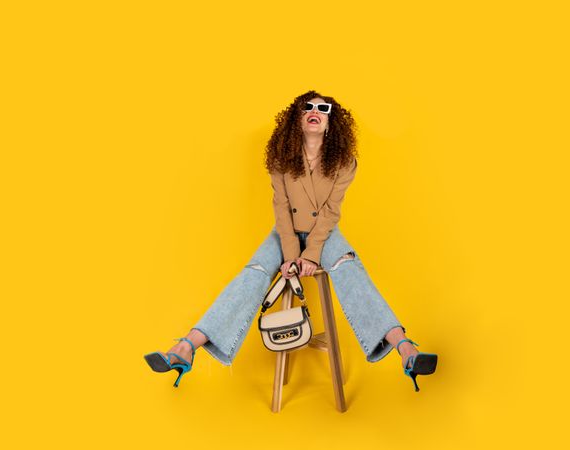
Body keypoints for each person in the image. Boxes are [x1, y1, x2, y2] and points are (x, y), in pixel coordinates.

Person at [144, 90, 438, 391]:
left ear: (330, 122)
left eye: (323, 109)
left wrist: (310, 255)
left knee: (350, 269)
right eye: (307, 107)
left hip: (323, 234)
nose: (315, 111)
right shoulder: (281, 159)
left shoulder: (345, 163)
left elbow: (330, 212)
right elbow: (281, 208)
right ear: (297, 118)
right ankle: (186, 348)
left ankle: (404, 349)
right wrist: (289, 255)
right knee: (253, 274)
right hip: (285, 232)